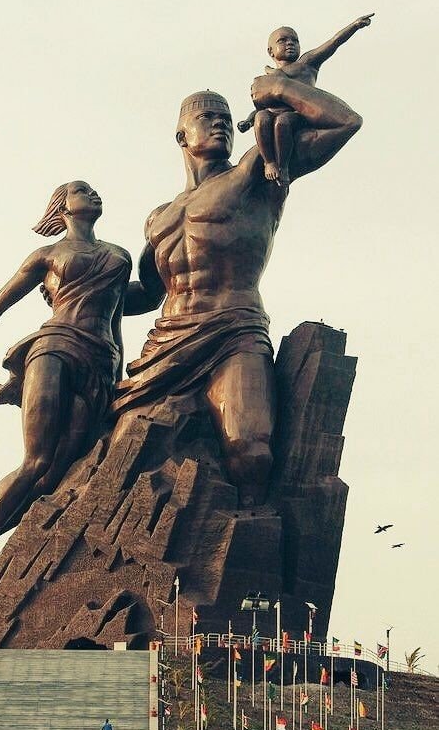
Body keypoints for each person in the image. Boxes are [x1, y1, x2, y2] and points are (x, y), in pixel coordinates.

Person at [113, 78, 364, 507]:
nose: (220, 125)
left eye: (227, 119)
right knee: (120, 455)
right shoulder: (159, 218)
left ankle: (249, 548)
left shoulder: (258, 171)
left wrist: (280, 86)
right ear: (181, 135)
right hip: (165, 345)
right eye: (207, 117)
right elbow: (145, 295)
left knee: (250, 451)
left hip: (235, 331)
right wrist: (81, 294)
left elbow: (345, 122)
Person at [0, 181, 131, 599]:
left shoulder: (119, 257)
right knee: (35, 461)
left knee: (56, 478)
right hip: (54, 348)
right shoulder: (48, 255)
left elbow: (117, 321)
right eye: (83, 191)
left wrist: (115, 382)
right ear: (63, 207)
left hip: (99, 362)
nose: (95, 194)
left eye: (96, 191)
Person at [236, 14, 374, 185]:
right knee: (261, 117)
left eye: (295, 40)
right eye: (283, 40)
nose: (290, 43)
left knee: (283, 121)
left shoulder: (306, 64)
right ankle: (269, 162)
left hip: (297, 116)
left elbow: (333, 43)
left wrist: (354, 26)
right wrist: (248, 121)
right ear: (270, 51)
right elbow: (260, 108)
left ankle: (283, 166)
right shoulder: (265, 80)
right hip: (270, 115)